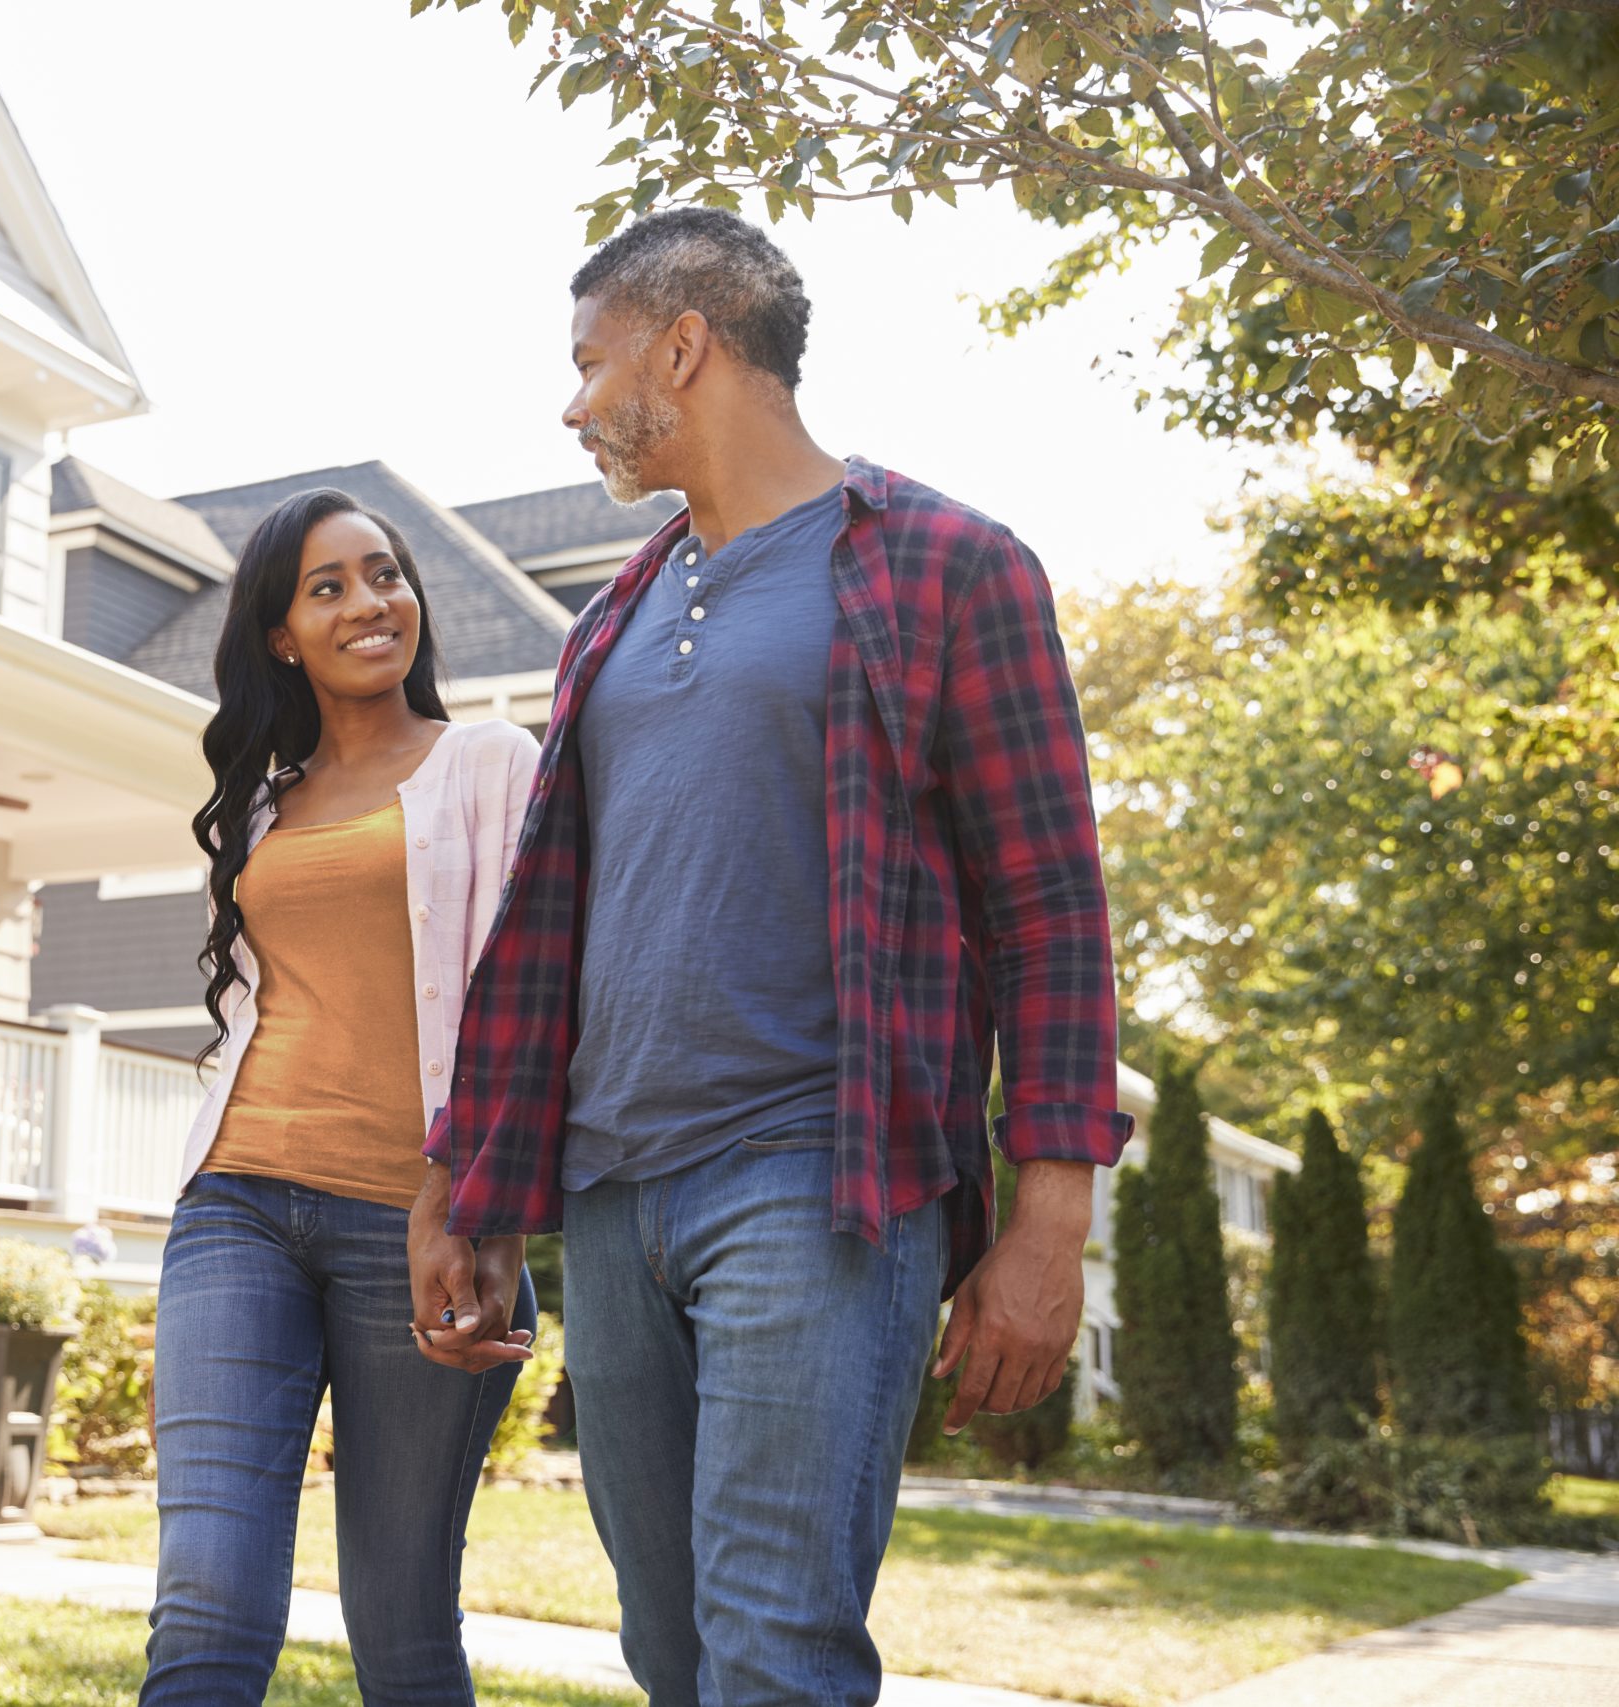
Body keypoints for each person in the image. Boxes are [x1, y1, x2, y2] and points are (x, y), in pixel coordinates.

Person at [411, 206, 1133, 1705]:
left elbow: (1050, 904)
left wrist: (1049, 1214)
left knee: (775, 1647)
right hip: (614, 1192)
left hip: (819, 1173)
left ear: (683, 346)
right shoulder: (610, 613)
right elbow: (547, 926)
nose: (573, 405)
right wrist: (475, 1183)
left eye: (589, 361)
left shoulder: (946, 564)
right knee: (671, 1648)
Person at [145, 487, 541, 1707]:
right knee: (206, 1593)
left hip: (421, 1231)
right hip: (238, 1206)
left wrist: (487, 1219)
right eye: (328, 587)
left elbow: (536, 1005)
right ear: (281, 634)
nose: (370, 603)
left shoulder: (489, 761)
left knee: (402, 1617)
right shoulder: (257, 808)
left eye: (386, 574)